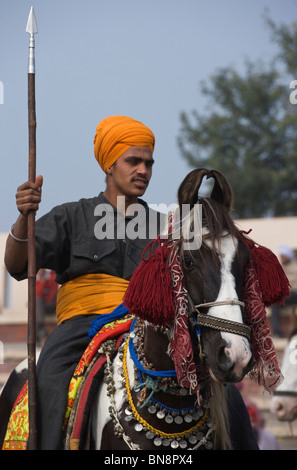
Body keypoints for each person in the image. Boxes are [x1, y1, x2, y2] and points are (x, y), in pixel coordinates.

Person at [4, 115, 164, 449]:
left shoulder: (163, 228)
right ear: (109, 165)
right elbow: (16, 265)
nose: (143, 171)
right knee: (47, 380)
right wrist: (24, 217)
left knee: (217, 387)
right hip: (82, 328)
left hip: (147, 327)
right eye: (133, 161)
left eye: (149, 163)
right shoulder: (70, 216)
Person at [270, 245, 297, 337]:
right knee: (275, 303)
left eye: (283, 256)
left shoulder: (295, 268)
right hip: (285, 293)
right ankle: (277, 332)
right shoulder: (280, 267)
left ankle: (277, 332)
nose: (282, 258)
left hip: (294, 293)